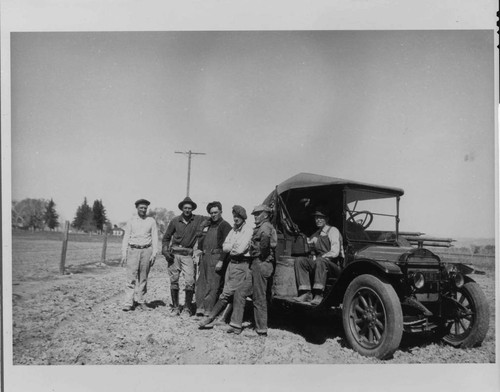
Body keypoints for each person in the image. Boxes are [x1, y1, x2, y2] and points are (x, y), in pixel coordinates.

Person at [198, 205, 253, 329]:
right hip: (232, 264)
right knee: (228, 292)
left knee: (227, 293)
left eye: (238, 217)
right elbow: (225, 246)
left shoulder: (247, 230)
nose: (236, 219)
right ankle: (222, 318)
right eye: (234, 216)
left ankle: (210, 318)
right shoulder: (234, 229)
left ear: (243, 218)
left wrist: (231, 246)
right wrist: (232, 246)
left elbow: (239, 249)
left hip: (241, 264)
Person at [226, 204, 277, 336]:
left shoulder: (265, 227)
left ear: (265, 215)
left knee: (259, 297)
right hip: (256, 264)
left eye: (258, 214)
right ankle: (236, 325)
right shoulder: (261, 227)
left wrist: (261, 256)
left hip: (261, 263)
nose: (255, 216)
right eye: (254, 214)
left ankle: (261, 330)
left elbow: (265, 242)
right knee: (240, 292)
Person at [162, 196, 205, 316]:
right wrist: (165, 252)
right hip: (174, 254)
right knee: (174, 280)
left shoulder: (198, 220)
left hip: (187, 255)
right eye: (185, 208)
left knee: (190, 281)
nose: (187, 210)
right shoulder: (175, 221)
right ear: (182, 208)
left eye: (190, 208)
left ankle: (187, 307)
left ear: (192, 209)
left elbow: (212, 219)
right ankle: (175, 307)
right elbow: (166, 238)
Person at [293, 210, 344, 306]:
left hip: (334, 266)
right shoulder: (317, 233)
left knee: (320, 261)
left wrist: (321, 257)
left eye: (321, 217)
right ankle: (306, 293)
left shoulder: (333, 231)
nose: (318, 220)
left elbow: (335, 252)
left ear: (327, 219)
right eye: (316, 218)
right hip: (320, 264)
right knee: (300, 261)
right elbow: (309, 242)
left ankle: (318, 294)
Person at [195, 201, 232, 317]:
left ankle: (208, 310)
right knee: (201, 282)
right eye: (211, 213)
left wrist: (221, 260)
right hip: (204, 256)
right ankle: (200, 307)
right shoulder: (208, 224)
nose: (214, 215)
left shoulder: (225, 225)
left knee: (213, 285)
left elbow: (227, 246)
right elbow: (201, 238)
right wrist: (199, 251)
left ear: (221, 211)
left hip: (216, 257)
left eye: (216, 212)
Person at [121, 199, 159, 311]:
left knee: (143, 278)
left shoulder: (151, 221)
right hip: (133, 250)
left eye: (145, 208)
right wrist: (124, 253)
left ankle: (141, 301)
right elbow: (126, 238)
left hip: (146, 251)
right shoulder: (131, 221)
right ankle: (128, 303)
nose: (143, 210)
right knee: (131, 277)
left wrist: (154, 253)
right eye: (141, 207)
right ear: (137, 208)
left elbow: (155, 237)